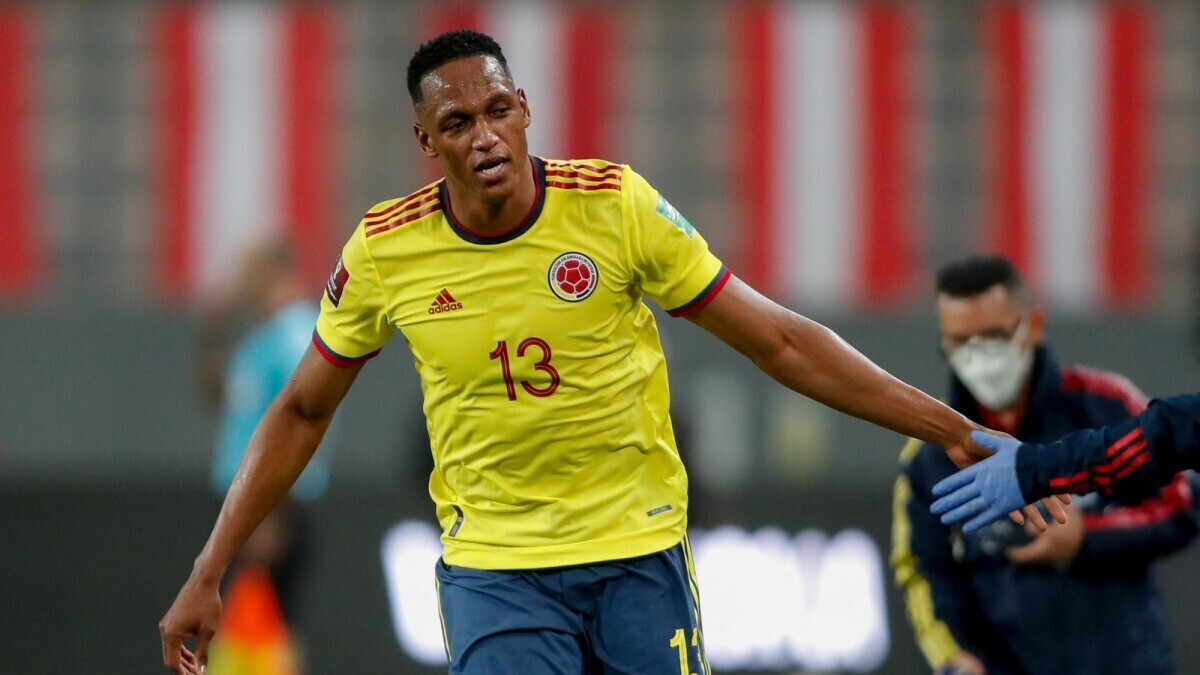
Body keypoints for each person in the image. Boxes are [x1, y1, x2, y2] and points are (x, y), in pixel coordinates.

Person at [160, 30, 1017, 675]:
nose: (486, 135)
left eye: (499, 110)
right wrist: (211, 564)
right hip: (497, 570)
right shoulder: (386, 251)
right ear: (427, 143)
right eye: (458, 122)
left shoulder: (614, 208)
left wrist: (949, 427)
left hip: (637, 556)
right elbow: (303, 408)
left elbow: (782, 342)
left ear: (525, 106)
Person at [892, 256, 1198, 675]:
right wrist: (955, 659)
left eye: (994, 335)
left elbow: (1181, 505)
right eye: (961, 341)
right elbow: (924, 570)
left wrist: (1086, 537)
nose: (978, 355)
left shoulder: (1105, 405)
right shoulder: (930, 453)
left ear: (1032, 326)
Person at [207, 235, 331, 630]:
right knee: (242, 634)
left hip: (271, 509)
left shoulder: (297, 335)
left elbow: (302, 425)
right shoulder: (260, 337)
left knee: (265, 633)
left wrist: (272, 515)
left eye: (247, 270)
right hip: (244, 505)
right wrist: (213, 327)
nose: (238, 280)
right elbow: (216, 396)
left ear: (275, 272)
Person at [935, 394, 1200, 532]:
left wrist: (1034, 468)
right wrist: (1035, 468)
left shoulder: (1101, 396)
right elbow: (1166, 432)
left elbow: (1162, 435)